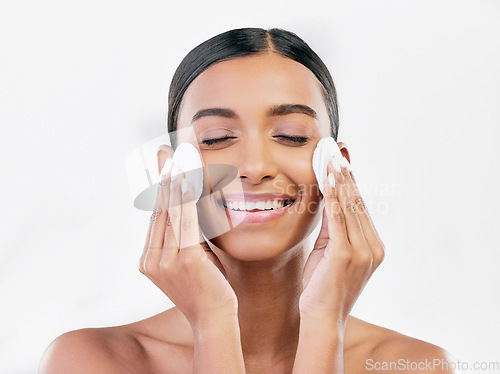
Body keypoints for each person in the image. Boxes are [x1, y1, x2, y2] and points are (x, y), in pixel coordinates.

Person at [39, 27, 457, 374]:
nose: (255, 167)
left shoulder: (415, 365)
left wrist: (325, 325)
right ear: (171, 171)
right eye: (216, 138)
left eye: (291, 135)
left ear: (337, 167)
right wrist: (213, 323)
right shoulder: (92, 362)